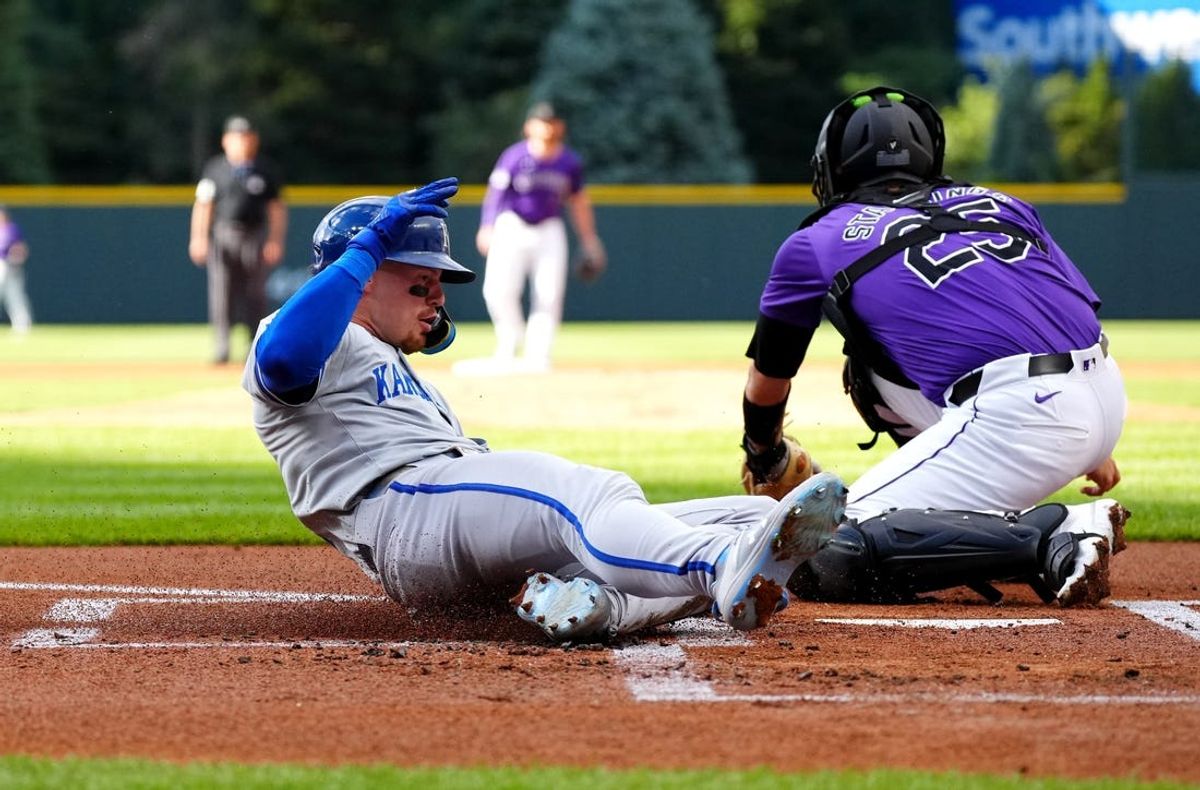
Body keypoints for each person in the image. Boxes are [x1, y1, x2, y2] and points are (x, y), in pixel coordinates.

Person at [242, 177, 849, 644]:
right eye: (420, 283)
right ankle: (718, 566)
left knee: (749, 517)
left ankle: (598, 608)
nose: (436, 298)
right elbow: (289, 358)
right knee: (587, 496)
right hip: (405, 509)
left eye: (439, 287)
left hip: (442, 527)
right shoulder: (306, 336)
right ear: (363, 276)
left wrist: (395, 278)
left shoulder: (379, 352)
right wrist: (370, 246)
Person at [738, 86, 1129, 607]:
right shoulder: (1004, 202)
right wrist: (1091, 440)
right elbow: (1061, 305)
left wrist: (765, 457)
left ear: (831, 168)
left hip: (1023, 415)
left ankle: (1054, 535)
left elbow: (767, 383)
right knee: (867, 372)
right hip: (1103, 389)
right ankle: (949, 502)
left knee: (816, 551)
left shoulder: (814, 241)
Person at [456, 102, 605, 375]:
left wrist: (589, 239)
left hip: (549, 229)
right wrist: (487, 225)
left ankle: (539, 356)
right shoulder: (514, 157)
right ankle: (509, 346)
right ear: (529, 126)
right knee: (497, 291)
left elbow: (578, 201)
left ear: (560, 126)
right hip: (511, 225)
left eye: (552, 121)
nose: (547, 127)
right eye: (541, 121)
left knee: (549, 294)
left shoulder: (569, 162)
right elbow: (496, 193)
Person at [189, 115, 287, 364]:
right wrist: (198, 238)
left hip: (255, 234)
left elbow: (276, 208)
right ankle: (222, 347)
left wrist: (275, 240)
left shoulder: (264, 169)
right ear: (225, 141)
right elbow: (204, 205)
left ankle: (254, 346)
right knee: (221, 292)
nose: (242, 142)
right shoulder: (215, 168)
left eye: (246, 137)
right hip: (223, 234)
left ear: (254, 140)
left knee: (255, 293)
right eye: (237, 137)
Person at [0, 206, 33, 334]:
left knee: (15, 296)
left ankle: (22, 325)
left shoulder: (12, 229)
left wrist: (16, 260)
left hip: (9, 265)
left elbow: (21, 248)